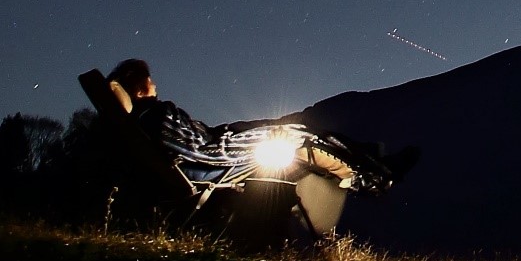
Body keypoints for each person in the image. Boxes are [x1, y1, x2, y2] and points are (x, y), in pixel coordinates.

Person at [107, 58, 415, 190]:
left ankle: (371, 157)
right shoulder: (154, 117)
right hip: (221, 151)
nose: (155, 83)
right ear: (137, 87)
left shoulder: (144, 122)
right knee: (299, 136)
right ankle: (375, 174)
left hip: (219, 139)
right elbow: (200, 152)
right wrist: (251, 142)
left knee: (297, 129)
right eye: (149, 79)